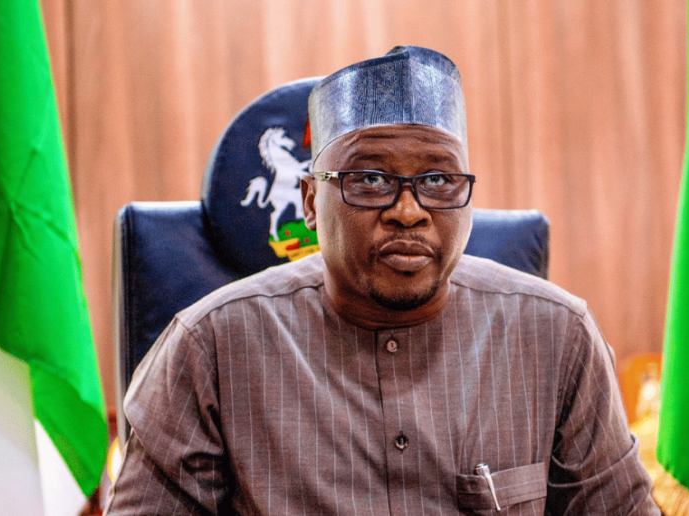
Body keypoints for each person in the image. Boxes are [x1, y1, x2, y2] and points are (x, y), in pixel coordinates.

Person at [107, 46, 659, 515]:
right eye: (369, 179)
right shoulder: (208, 348)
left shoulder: (558, 337)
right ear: (309, 202)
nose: (408, 211)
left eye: (438, 180)